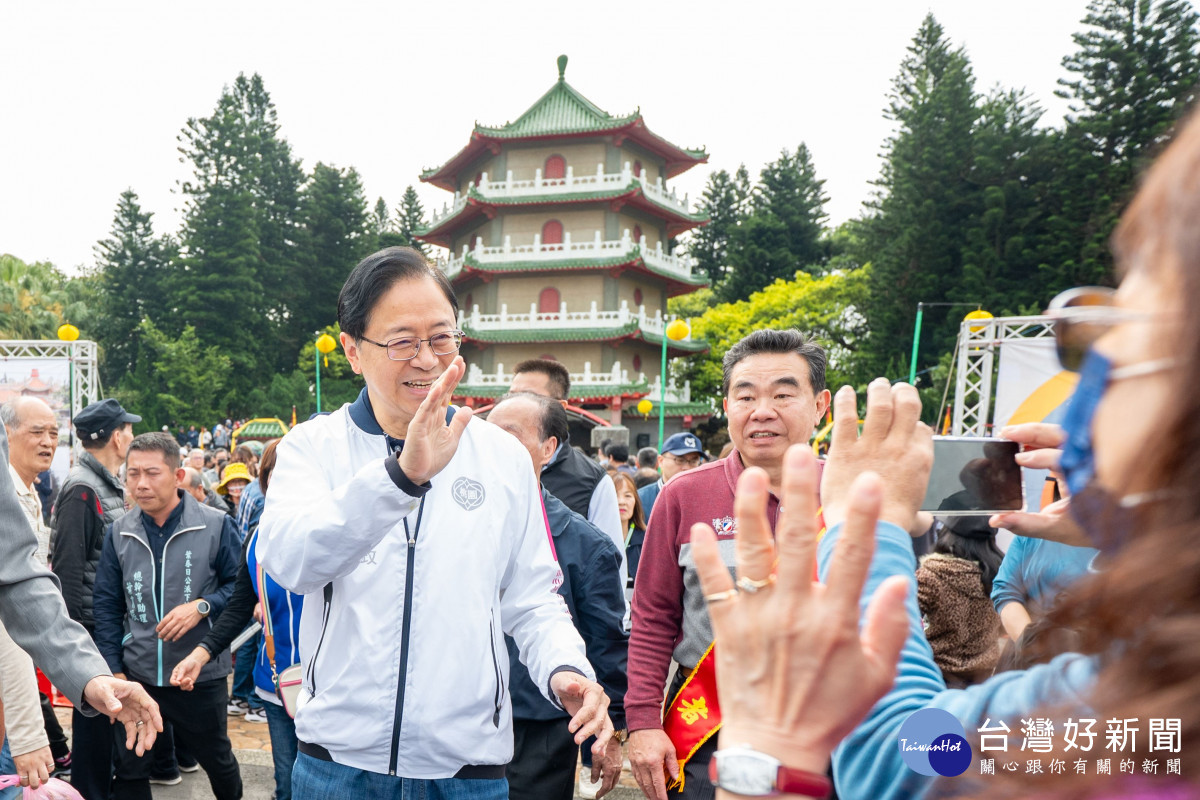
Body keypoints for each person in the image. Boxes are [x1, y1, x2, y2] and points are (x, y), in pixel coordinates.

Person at [688, 106, 1200, 798]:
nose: (1089, 369)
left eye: (1107, 329)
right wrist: (1152, 529)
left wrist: (859, 527)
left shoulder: (1139, 708)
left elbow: (912, 754)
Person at [258, 247, 614, 799]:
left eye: (441, 338)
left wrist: (564, 669)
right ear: (352, 350)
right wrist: (399, 479)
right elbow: (292, 562)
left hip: (467, 769)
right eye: (402, 341)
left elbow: (532, 597)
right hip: (338, 765)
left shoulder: (501, 456)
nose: (426, 359)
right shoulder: (313, 448)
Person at [626, 330, 830, 800]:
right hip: (709, 726)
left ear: (820, 405)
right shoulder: (683, 495)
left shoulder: (854, 494)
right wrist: (641, 722)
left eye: (783, 394)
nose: (762, 411)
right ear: (727, 405)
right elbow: (653, 616)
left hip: (830, 722)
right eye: (746, 396)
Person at [0, 424, 163, 793]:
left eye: (53, 432)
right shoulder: (81, 488)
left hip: (88, 640)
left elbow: (18, 580)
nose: (48, 442)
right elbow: (69, 573)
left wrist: (90, 673)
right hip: (87, 628)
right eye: (37, 431)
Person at [487, 393, 628, 800]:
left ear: (548, 449)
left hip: (541, 724)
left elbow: (608, 646)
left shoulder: (586, 544)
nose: (492, 447)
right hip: (461, 719)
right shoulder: (451, 523)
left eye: (508, 436)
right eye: (485, 436)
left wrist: (610, 731)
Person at [92, 432, 242, 800]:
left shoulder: (217, 524)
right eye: (133, 473)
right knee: (129, 769)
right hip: (138, 674)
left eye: (152, 473)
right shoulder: (118, 533)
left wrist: (201, 606)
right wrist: (114, 669)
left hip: (198, 675)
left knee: (218, 761)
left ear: (178, 476)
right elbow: (107, 605)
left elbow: (240, 591)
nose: (140, 484)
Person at [173, 439, 302, 800]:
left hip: (335, 686)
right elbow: (239, 606)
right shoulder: (257, 537)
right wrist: (200, 655)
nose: (286, 481)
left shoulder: (346, 533)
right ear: (266, 480)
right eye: (276, 473)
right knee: (288, 786)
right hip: (278, 682)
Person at [509, 359, 627, 608]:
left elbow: (610, 566)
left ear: (560, 408)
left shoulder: (592, 481)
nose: (513, 406)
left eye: (529, 397)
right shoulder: (484, 468)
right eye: (510, 396)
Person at [915, 516, 1003, 688]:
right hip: (983, 680)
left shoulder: (931, 576)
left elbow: (904, 619)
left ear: (948, 536)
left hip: (937, 679)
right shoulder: (1000, 576)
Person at [990, 534, 1097, 640]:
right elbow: (1005, 589)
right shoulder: (1031, 528)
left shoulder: (1108, 535)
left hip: (1095, 644)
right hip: (1032, 640)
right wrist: (1029, 644)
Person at [637, 432, 706, 524]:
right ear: (660, 461)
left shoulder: (707, 499)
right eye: (680, 460)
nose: (686, 468)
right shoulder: (640, 500)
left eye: (693, 461)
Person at [612, 472, 648, 591]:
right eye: (615, 495)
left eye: (628, 496)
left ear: (635, 501)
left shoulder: (647, 538)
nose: (621, 501)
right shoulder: (596, 539)